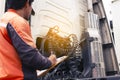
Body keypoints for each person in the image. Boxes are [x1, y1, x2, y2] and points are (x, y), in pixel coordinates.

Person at [0, 0, 57, 80]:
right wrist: (50, 61)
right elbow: (31, 57)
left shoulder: (4, 18)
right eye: (31, 5)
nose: (31, 10)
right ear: (27, 3)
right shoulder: (17, 22)